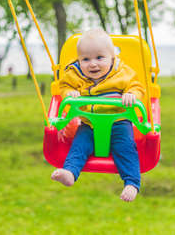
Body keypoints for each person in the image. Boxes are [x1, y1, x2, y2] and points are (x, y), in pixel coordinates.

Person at [51, 29, 145, 202]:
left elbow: (137, 87)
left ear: (112, 58)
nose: (92, 64)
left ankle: (132, 182)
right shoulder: (74, 74)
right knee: (80, 144)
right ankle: (70, 172)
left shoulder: (123, 73)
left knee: (125, 148)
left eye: (99, 58)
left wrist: (131, 95)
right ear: (79, 59)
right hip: (89, 123)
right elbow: (63, 87)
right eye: (85, 59)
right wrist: (70, 92)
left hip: (119, 120)